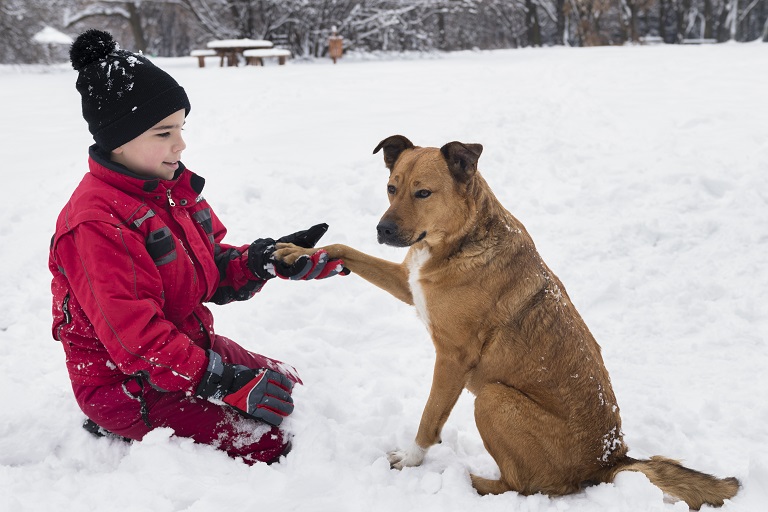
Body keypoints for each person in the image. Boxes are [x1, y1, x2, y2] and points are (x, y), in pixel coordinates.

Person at [49, 29, 346, 464]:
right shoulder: (96, 223)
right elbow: (135, 342)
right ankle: (114, 422)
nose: (180, 144)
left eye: (181, 127)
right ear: (118, 139)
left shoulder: (169, 188)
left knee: (288, 387)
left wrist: (267, 261)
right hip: (126, 383)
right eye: (163, 132)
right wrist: (223, 380)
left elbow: (209, 267)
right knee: (271, 444)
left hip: (187, 348)